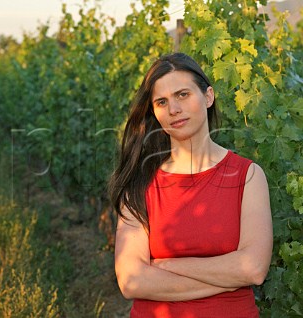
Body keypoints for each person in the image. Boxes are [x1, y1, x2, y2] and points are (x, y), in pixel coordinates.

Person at [108, 53, 273, 317]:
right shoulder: (139, 184)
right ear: (154, 112)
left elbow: (253, 268)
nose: (173, 109)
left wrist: (165, 266)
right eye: (162, 102)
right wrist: (226, 275)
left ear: (208, 96)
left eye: (182, 94)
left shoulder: (248, 176)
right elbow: (131, 281)